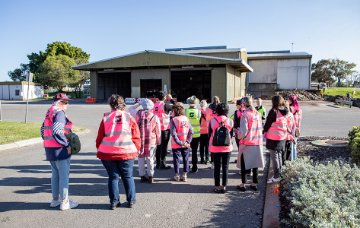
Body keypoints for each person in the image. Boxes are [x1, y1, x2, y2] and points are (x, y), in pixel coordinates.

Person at [96, 94, 141, 209]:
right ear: (122, 104)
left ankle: (114, 202)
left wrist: (100, 148)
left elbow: (100, 137)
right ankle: (131, 200)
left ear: (110, 104)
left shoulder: (106, 117)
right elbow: (136, 136)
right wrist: (137, 149)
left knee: (113, 177)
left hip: (107, 153)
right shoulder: (129, 117)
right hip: (126, 152)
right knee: (128, 177)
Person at [41, 93, 78, 210]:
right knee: (63, 176)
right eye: (66, 102)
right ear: (60, 103)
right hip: (60, 149)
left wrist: (48, 142)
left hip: (49, 149)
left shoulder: (49, 112)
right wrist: (66, 144)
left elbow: (42, 130)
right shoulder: (59, 113)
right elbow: (57, 130)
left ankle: (55, 200)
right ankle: (65, 202)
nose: (67, 105)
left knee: (55, 175)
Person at [236, 96, 265, 191]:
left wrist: (238, 134)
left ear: (243, 104)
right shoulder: (257, 114)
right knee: (255, 164)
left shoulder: (245, 115)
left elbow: (244, 132)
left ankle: (243, 184)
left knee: (244, 165)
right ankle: (254, 184)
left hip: (247, 143)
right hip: (257, 142)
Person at [208, 103, 233, 193]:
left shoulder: (212, 120)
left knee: (217, 167)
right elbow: (231, 134)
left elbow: (209, 134)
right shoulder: (230, 121)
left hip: (215, 147)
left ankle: (217, 186)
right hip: (227, 147)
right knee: (225, 167)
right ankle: (224, 186)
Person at [263, 95, 288, 184]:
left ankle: (277, 176)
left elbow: (267, 124)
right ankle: (280, 174)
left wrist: (264, 131)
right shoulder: (285, 111)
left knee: (275, 157)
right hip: (282, 137)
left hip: (273, 137)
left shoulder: (274, 111)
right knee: (279, 155)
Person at [135, 98, 161, 183]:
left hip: (140, 140)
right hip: (151, 140)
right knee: (150, 158)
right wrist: (159, 140)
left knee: (140, 158)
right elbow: (158, 130)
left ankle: (142, 176)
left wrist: (139, 103)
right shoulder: (155, 116)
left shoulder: (137, 114)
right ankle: (151, 176)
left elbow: (130, 109)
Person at [170, 102, 193, 182]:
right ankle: (185, 175)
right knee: (186, 159)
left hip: (176, 144)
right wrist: (187, 141)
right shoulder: (186, 119)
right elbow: (191, 132)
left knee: (176, 159)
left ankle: (177, 175)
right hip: (186, 143)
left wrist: (179, 142)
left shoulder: (174, 120)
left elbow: (173, 133)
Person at [153, 91, 172, 169]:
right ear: (164, 97)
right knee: (164, 147)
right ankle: (163, 163)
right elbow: (177, 106)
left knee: (158, 146)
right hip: (165, 128)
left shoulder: (154, 105)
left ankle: (157, 163)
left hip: (156, 128)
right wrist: (170, 99)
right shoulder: (165, 105)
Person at [186, 96, 201, 173]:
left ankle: (187, 166)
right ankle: (195, 167)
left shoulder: (186, 111)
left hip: (187, 135)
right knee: (194, 152)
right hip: (196, 134)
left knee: (187, 151)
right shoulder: (198, 112)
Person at [206, 96, 220, 168]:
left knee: (212, 146)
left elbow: (207, 118)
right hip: (219, 128)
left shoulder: (208, 108)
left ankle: (213, 163)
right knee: (220, 146)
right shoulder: (220, 107)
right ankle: (219, 162)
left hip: (211, 128)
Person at [288, 95, 302, 160]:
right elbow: (300, 119)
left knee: (291, 145)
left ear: (291, 100)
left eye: (289, 99)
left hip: (292, 128)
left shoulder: (291, 108)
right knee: (295, 144)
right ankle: (295, 158)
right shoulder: (299, 109)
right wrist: (298, 128)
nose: (288, 101)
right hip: (297, 128)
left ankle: (292, 159)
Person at [199, 100, 209, 164]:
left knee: (201, 146)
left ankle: (202, 159)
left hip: (200, 131)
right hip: (207, 131)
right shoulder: (208, 111)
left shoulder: (198, 111)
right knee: (207, 146)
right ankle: (207, 158)